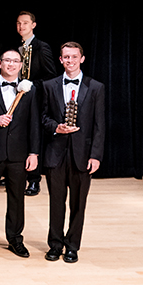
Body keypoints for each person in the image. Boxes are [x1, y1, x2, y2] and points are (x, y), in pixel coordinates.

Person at [41, 42, 105, 263]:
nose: (70, 61)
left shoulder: (95, 87)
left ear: (82, 59)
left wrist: (95, 155)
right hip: (56, 153)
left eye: (74, 57)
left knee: (78, 203)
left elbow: (99, 125)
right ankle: (55, 244)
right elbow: (43, 118)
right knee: (56, 203)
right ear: (60, 60)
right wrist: (55, 127)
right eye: (66, 57)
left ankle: (72, 246)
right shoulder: (49, 85)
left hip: (82, 154)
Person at [0, 50, 40, 258]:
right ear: (0, 63)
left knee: (17, 199)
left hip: (19, 154)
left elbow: (34, 123)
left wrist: (34, 152)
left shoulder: (30, 90)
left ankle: (15, 239)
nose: (11, 64)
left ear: (21, 65)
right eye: (7, 61)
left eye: (15, 61)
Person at [15, 10, 57, 197]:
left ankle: (34, 180)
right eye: (18, 23)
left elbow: (50, 75)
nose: (21, 26)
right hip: (20, 98)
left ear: (33, 25)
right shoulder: (19, 47)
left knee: (34, 137)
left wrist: (32, 84)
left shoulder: (42, 47)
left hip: (35, 99)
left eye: (25, 23)